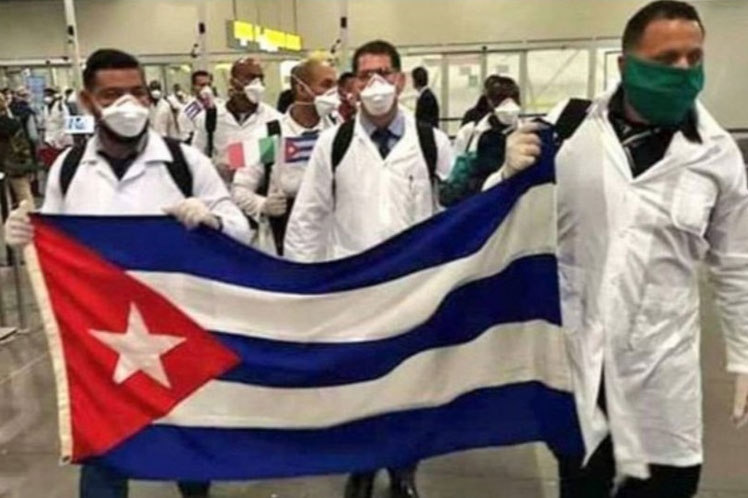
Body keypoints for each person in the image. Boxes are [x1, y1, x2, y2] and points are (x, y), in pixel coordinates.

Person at [483, 2, 748, 497]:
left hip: (661, 369)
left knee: (667, 485)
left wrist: (744, 358)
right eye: (666, 59)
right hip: (580, 361)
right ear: (625, 66)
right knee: (581, 483)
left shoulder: (717, 155)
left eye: (694, 57)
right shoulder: (570, 129)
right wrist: (505, 174)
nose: (684, 71)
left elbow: (736, 266)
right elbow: (501, 226)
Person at [2, 48, 252, 498]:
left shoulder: (185, 163)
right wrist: (28, 234)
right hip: (99, 342)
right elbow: (57, 240)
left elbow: (241, 229)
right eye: (111, 95)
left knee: (187, 450)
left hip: (177, 331)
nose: (128, 105)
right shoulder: (69, 169)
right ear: (87, 101)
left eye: (137, 93)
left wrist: (212, 221)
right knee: (105, 454)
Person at [284, 40, 453, 498]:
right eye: (365, 75)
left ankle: (403, 470)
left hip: (414, 290)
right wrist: (302, 289)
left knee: (410, 385)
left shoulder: (430, 142)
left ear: (400, 79)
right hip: (354, 289)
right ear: (353, 86)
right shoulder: (334, 144)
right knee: (358, 385)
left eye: (384, 73)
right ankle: (360, 466)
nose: (375, 83)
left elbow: (455, 210)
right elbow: (308, 217)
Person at [232, 56, 339, 256]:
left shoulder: (340, 132)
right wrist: (262, 205)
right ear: (301, 89)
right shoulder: (266, 134)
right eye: (326, 85)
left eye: (335, 85)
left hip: (333, 243)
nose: (334, 93)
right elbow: (238, 190)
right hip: (282, 243)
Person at [192, 57, 282, 182]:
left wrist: (237, 165)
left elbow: (274, 162)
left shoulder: (274, 120)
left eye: (260, 78)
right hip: (220, 189)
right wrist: (214, 169)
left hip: (257, 191)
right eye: (250, 78)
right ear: (233, 82)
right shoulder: (209, 118)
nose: (257, 84)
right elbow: (196, 157)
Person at [441, 76, 521, 206]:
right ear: (489, 101)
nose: (509, 105)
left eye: (514, 98)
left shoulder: (528, 134)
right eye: (500, 99)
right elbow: (455, 177)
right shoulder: (469, 133)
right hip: (478, 206)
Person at [0, 93, 35, 206]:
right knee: (24, 196)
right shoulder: (13, 124)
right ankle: (28, 215)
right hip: (15, 166)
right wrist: (28, 167)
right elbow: (23, 148)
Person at [177, 70, 217, 144]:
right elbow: (187, 138)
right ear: (194, 87)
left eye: (209, 85)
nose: (207, 89)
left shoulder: (220, 105)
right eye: (202, 85)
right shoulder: (187, 111)